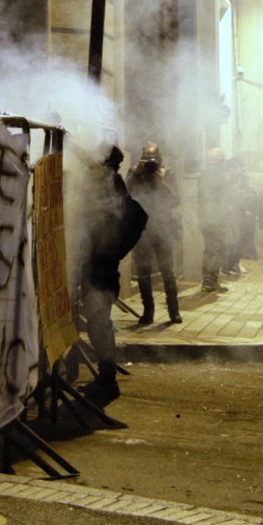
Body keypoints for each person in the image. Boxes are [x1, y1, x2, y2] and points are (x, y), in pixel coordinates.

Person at [78, 145, 147, 407]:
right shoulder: (111, 184)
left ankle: (108, 379)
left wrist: (110, 251)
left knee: (99, 323)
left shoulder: (111, 188)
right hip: (99, 263)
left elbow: (131, 217)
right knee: (98, 322)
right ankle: (106, 377)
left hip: (101, 266)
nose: (89, 169)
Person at [126, 142, 182, 325]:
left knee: (168, 272)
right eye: (147, 160)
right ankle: (148, 311)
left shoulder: (167, 174)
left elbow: (175, 201)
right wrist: (135, 173)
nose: (151, 164)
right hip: (141, 230)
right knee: (143, 273)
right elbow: (124, 195)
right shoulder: (135, 174)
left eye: (154, 160)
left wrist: (162, 181)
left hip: (162, 228)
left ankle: (174, 311)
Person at [198, 148, 230, 293]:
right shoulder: (219, 175)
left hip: (205, 217)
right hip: (216, 218)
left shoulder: (203, 174)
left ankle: (208, 281)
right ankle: (210, 281)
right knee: (218, 249)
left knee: (209, 249)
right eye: (222, 158)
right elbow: (220, 198)